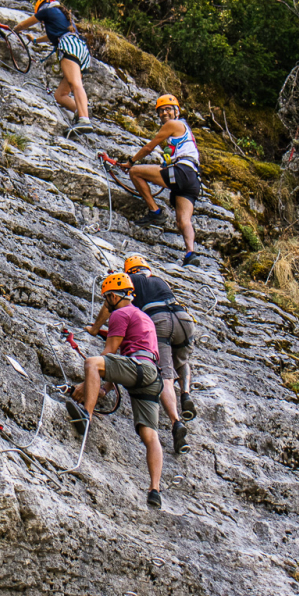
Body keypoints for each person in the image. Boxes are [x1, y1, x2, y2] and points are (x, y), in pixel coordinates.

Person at [67, 272, 167, 508]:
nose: (105, 303)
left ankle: (86, 415)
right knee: (150, 435)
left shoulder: (121, 313)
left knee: (92, 362)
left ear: (113, 296)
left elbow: (109, 355)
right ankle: (155, 489)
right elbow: (121, 364)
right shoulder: (144, 317)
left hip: (136, 366)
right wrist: (104, 389)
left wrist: (85, 385)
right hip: (152, 375)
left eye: (106, 298)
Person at [86, 254, 196, 454]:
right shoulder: (159, 281)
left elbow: (110, 303)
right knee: (181, 360)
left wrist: (95, 329)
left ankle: (176, 421)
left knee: (166, 376)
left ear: (130, 271)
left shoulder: (131, 281)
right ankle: (186, 393)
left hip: (160, 321)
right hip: (183, 319)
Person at [121, 94, 202, 266]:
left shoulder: (173, 125)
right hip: (193, 179)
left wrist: (131, 162)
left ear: (176, 112)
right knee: (183, 221)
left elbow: (149, 147)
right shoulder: (184, 130)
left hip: (182, 171)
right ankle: (190, 253)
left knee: (135, 172)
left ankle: (155, 212)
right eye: (161, 111)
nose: (164, 113)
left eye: (168, 109)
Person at [12, 0, 93, 138]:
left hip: (69, 47)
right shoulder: (61, 16)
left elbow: (25, 24)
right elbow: (52, 36)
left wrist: (15, 30)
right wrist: (36, 40)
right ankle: (80, 110)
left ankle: (84, 120)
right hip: (81, 49)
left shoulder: (47, 11)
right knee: (60, 95)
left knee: (75, 84)